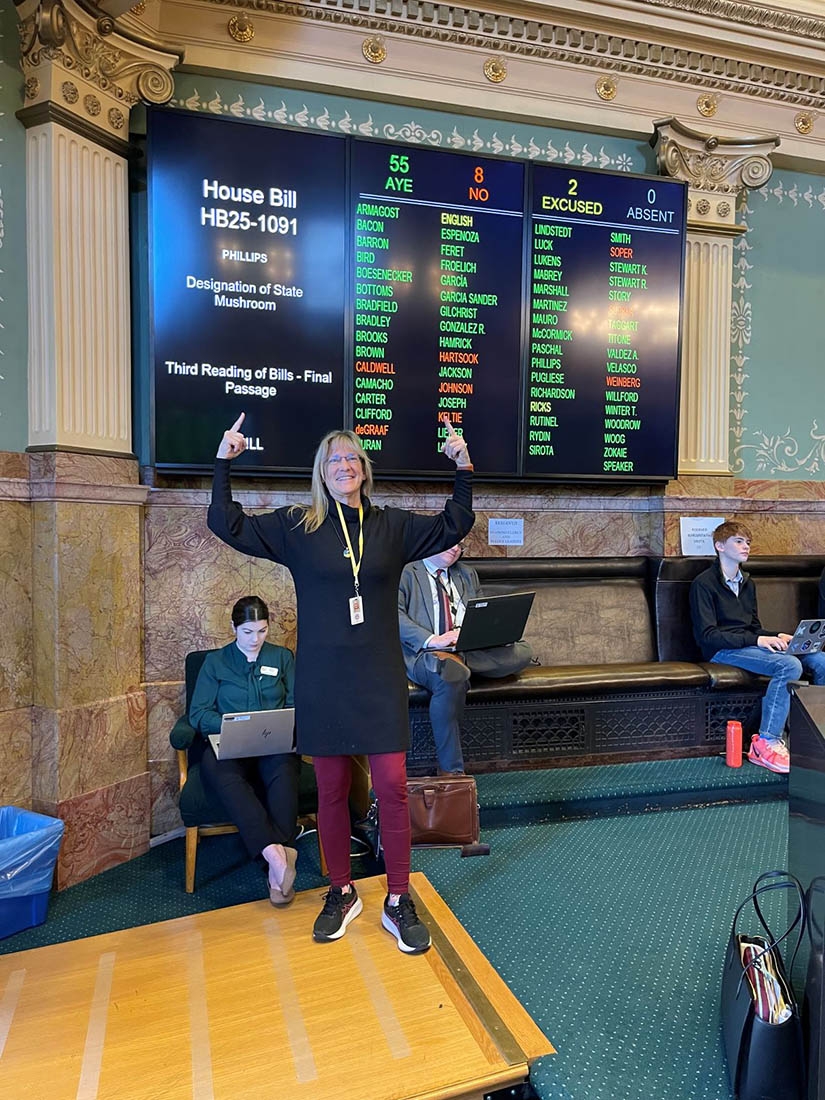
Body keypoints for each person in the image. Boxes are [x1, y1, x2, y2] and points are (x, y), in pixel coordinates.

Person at [207, 413, 475, 953]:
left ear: (364, 470)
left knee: (393, 790)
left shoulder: (392, 526)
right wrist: (222, 462)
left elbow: (454, 522)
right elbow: (227, 523)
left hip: (378, 678)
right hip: (323, 681)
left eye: (352, 458)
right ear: (321, 473)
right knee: (330, 792)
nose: (344, 466)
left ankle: (398, 899)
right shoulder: (296, 526)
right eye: (334, 460)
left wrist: (462, 465)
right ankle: (341, 891)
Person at [189, 595, 301, 906]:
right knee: (220, 771)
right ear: (234, 628)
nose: (255, 640)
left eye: (262, 631)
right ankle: (276, 855)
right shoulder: (216, 662)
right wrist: (230, 723)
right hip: (230, 743)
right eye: (248, 632)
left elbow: (295, 703)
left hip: (273, 742)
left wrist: (283, 722)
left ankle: (275, 870)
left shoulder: (282, 658)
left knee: (285, 769)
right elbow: (198, 713)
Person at [689, 521, 825, 774]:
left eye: (748, 542)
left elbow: (752, 628)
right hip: (721, 651)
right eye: (739, 541)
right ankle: (766, 742)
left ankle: (815, 736)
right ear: (719, 546)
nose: (746, 547)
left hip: (748, 646)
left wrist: (778, 635)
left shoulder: (747, 583)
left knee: (819, 659)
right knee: (789, 665)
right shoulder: (703, 584)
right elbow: (708, 636)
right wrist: (757, 640)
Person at [398, 545, 533, 774]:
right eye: (451, 543)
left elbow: (480, 613)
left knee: (523, 651)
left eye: (461, 545)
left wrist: (483, 634)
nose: (456, 549)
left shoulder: (467, 573)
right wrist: (434, 640)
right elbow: (394, 616)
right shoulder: (406, 573)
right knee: (450, 677)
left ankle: (459, 664)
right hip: (426, 652)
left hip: (467, 650)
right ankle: (453, 772)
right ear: (434, 539)